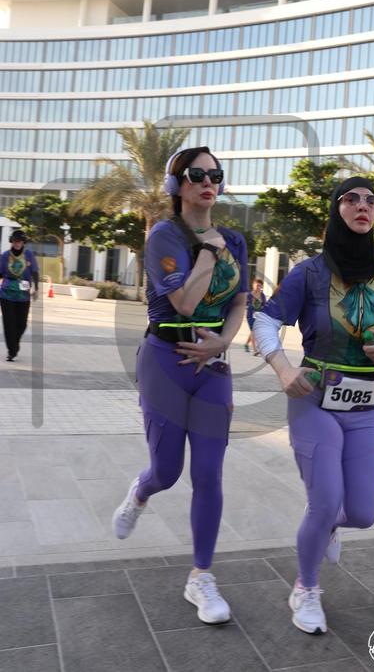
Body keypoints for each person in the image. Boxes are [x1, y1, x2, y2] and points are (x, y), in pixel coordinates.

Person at [254, 177, 374, 635]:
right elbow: (266, 319)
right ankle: (306, 587)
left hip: (367, 403)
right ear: (336, 210)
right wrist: (282, 368)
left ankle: (326, 526)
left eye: (371, 200)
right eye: (351, 199)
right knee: (326, 499)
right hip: (314, 396)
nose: (362, 206)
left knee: (365, 513)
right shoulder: (310, 272)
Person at [112, 146, 248, 624]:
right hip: (164, 361)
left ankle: (201, 577)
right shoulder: (164, 236)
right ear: (176, 184)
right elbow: (186, 304)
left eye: (215, 174)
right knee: (167, 472)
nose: (208, 182)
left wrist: (224, 342)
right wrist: (209, 248)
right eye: (196, 174)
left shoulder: (236, 239)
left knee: (208, 474)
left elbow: (239, 302)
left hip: (212, 367)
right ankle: (140, 492)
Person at [0, 230, 39, 362]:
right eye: (15, 241)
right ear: (12, 242)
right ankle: (12, 351)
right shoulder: (5, 256)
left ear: (23, 242)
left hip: (23, 295)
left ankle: (14, 344)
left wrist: (36, 288)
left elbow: (35, 272)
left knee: (22, 324)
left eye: (20, 241)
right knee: (9, 323)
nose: (17, 243)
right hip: (6, 294)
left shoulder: (29, 255)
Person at [244, 277, 266, 354]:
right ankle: (255, 350)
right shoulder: (249, 295)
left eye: (260, 286)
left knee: (254, 331)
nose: (258, 287)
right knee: (254, 331)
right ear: (253, 285)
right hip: (250, 316)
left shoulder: (262, 295)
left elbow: (265, 305)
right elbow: (244, 304)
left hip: (259, 316)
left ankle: (246, 344)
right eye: (257, 285)